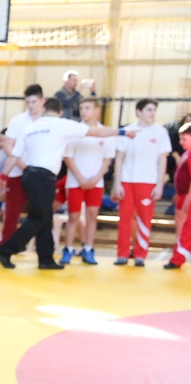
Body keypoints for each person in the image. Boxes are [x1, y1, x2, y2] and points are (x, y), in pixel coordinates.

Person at [0, 97, 124, 270]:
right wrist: (122, 132)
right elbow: (96, 132)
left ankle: (46, 258)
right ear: (60, 112)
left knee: (45, 217)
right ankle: (5, 250)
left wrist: (3, 177)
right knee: (38, 218)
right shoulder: (62, 124)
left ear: (43, 110)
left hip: (29, 175)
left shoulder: (30, 128)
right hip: (43, 177)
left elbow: (14, 156)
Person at [113, 98, 171, 266]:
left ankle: (140, 255)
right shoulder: (127, 131)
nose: (152, 113)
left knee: (145, 220)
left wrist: (159, 184)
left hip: (148, 183)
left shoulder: (160, 132)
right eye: (149, 110)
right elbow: (119, 158)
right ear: (139, 112)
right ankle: (122, 254)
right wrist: (117, 183)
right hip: (127, 181)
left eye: (154, 110)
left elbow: (162, 159)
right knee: (124, 220)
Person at [60, 98, 114, 265]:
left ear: (97, 111)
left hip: (96, 183)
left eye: (87, 108)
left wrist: (96, 178)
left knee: (92, 216)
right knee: (73, 217)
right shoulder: (74, 131)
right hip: (75, 182)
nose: (83, 111)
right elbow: (67, 157)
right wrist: (80, 178)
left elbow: (107, 159)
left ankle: (88, 249)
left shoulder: (106, 132)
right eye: (82, 108)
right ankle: (68, 249)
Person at [0, 84, 46, 239]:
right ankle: (6, 245)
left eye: (34, 102)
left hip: (41, 174)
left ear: (42, 101)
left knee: (41, 214)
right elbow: (8, 146)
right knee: (11, 214)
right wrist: (23, 167)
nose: (30, 106)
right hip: (17, 173)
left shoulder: (48, 122)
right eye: (28, 102)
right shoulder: (18, 121)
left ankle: (40, 247)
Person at [165, 122, 191, 269]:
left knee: (185, 228)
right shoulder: (187, 153)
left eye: (184, 139)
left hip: (187, 196)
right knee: (182, 226)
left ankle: (178, 258)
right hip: (183, 194)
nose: (181, 142)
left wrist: (188, 197)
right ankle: (178, 257)